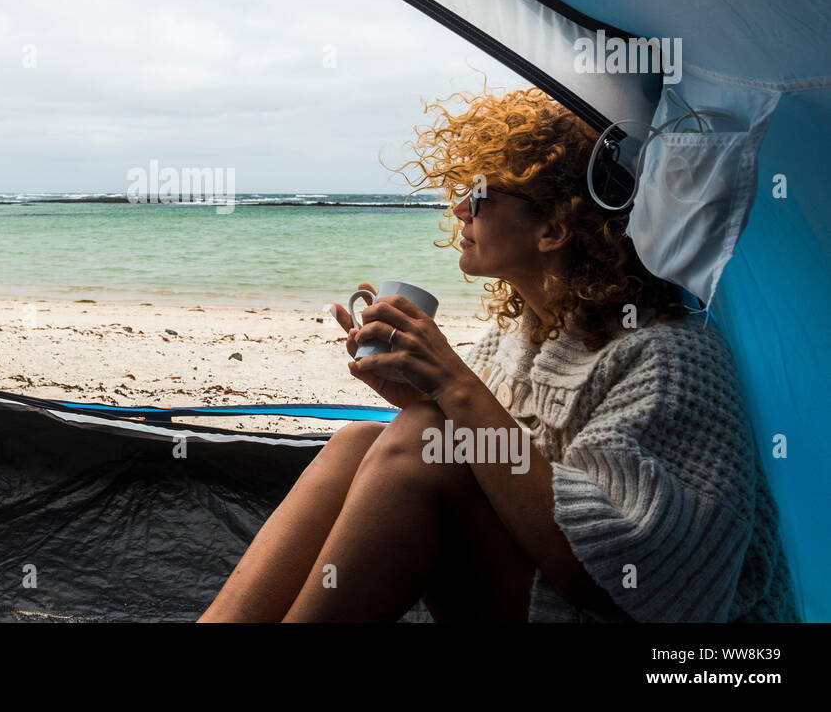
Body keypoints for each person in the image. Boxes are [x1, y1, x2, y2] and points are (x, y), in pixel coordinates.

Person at [197, 86, 799, 623]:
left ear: (555, 230)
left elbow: (611, 581)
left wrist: (454, 393)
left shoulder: (669, 357)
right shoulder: (520, 338)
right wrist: (422, 398)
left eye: (481, 196)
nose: (460, 209)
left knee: (422, 443)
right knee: (367, 440)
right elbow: (487, 466)